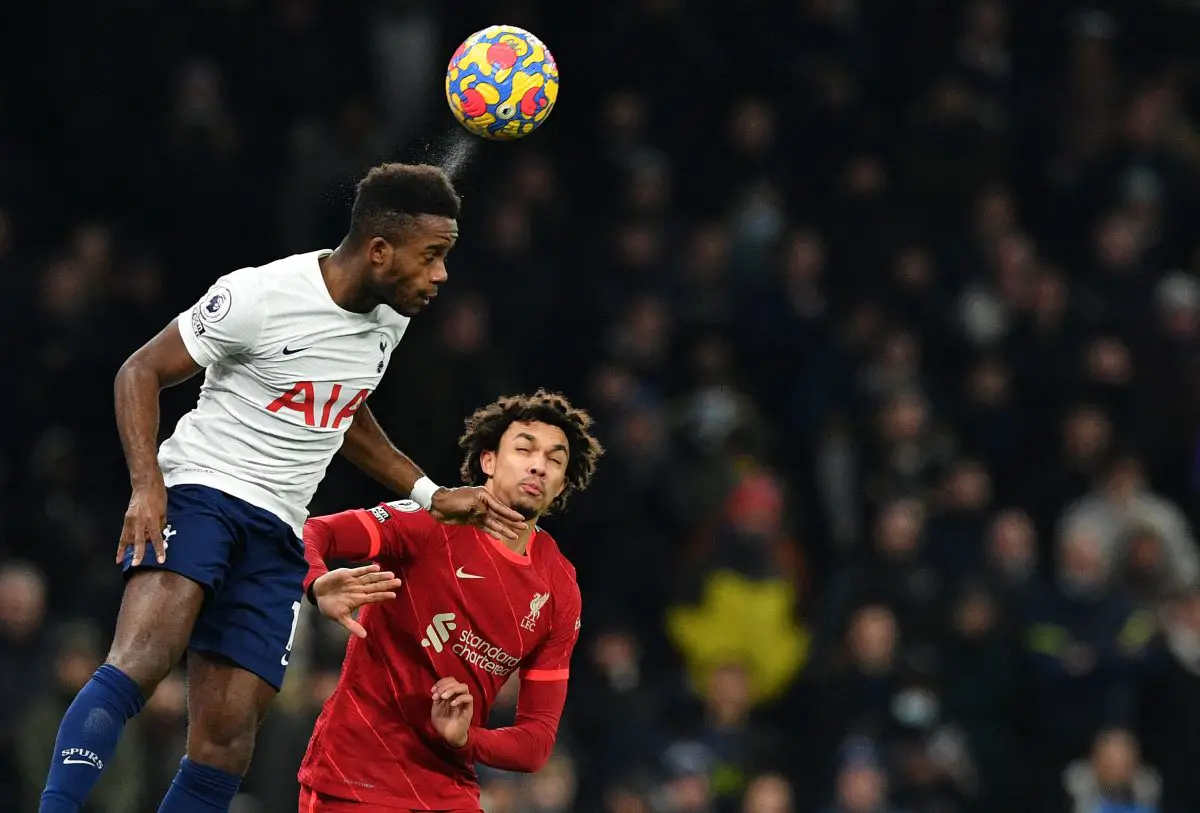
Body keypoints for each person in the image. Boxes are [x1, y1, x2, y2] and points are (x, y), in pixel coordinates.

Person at [39, 163, 527, 813]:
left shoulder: (393, 315)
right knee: (142, 660)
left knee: (226, 743)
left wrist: (429, 492)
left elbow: (343, 406)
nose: (441, 275)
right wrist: (146, 485)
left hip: (280, 532)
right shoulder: (258, 296)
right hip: (203, 489)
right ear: (380, 251)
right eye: (432, 256)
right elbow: (140, 371)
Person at [298, 390, 604, 811]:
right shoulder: (431, 521)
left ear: (562, 485)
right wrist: (316, 584)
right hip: (354, 779)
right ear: (488, 460)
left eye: (555, 460)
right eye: (524, 448)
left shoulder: (560, 587)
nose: (539, 465)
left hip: (449, 792)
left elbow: (536, 741)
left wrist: (465, 738)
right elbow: (313, 532)